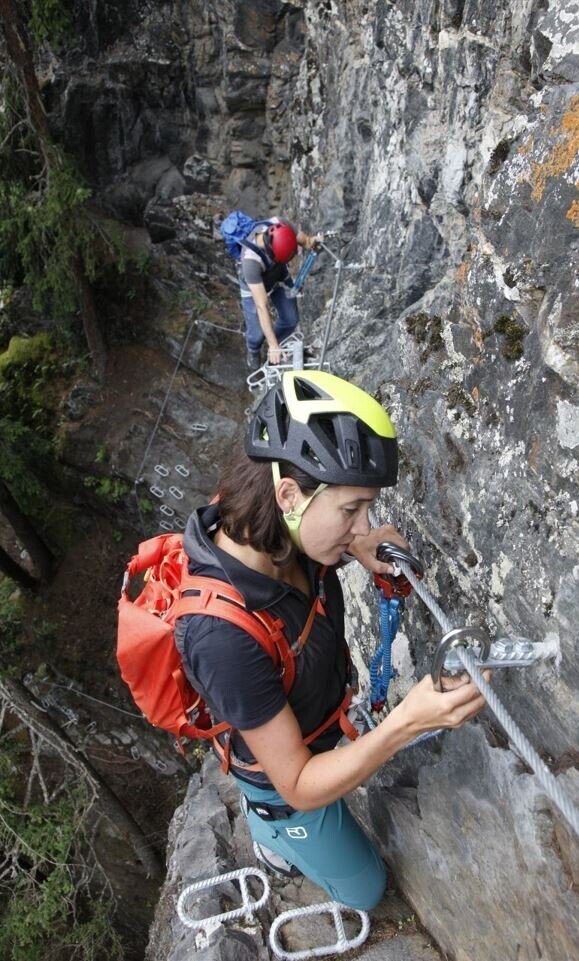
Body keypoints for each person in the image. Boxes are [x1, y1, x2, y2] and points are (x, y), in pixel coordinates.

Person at [178, 370, 489, 911]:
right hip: (286, 784)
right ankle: (271, 834)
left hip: (318, 727)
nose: (363, 526)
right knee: (366, 892)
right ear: (288, 494)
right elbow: (299, 782)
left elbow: (316, 551)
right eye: (352, 509)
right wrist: (407, 722)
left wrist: (353, 547)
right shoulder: (220, 637)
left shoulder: (271, 528)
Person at [238, 217, 321, 370]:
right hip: (254, 288)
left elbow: (307, 242)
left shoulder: (283, 226)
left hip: (278, 276)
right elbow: (262, 306)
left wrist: (315, 241)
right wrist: (273, 344)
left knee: (290, 319)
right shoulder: (250, 262)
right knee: (257, 334)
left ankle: (275, 346)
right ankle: (254, 349)